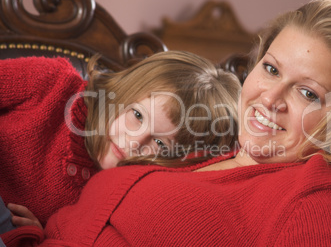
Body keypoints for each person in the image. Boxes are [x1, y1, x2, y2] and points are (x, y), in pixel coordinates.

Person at [2, 0, 331, 247]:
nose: (270, 98)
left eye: (308, 93)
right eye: (271, 68)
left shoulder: (310, 197)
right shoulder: (212, 147)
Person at [0, 51, 241, 233]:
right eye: (137, 115)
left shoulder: (124, 200)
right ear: (125, 90)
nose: (134, 142)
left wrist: (38, 237)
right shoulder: (52, 83)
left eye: (160, 144)